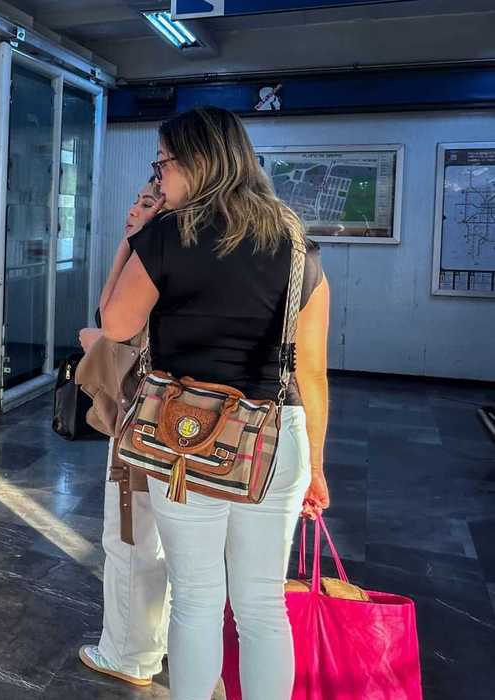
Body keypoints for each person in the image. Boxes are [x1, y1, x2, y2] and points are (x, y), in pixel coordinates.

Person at [98, 106, 330, 700]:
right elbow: (313, 373)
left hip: (183, 436)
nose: (159, 178)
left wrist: (135, 239)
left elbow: (116, 325)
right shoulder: (295, 243)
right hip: (278, 438)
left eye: (163, 164)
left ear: (198, 163)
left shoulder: (168, 236)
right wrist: (317, 470)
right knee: (262, 605)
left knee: (197, 599)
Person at [74, 177, 170, 687]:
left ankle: (129, 653)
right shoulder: (160, 249)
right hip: (175, 416)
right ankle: (163, 639)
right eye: (135, 200)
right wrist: (127, 242)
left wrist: (135, 245)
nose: (136, 209)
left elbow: (109, 324)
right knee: (163, 537)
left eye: (149, 201)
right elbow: (105, 312)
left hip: (144, 414)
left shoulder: (164, 253)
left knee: (131, 535)